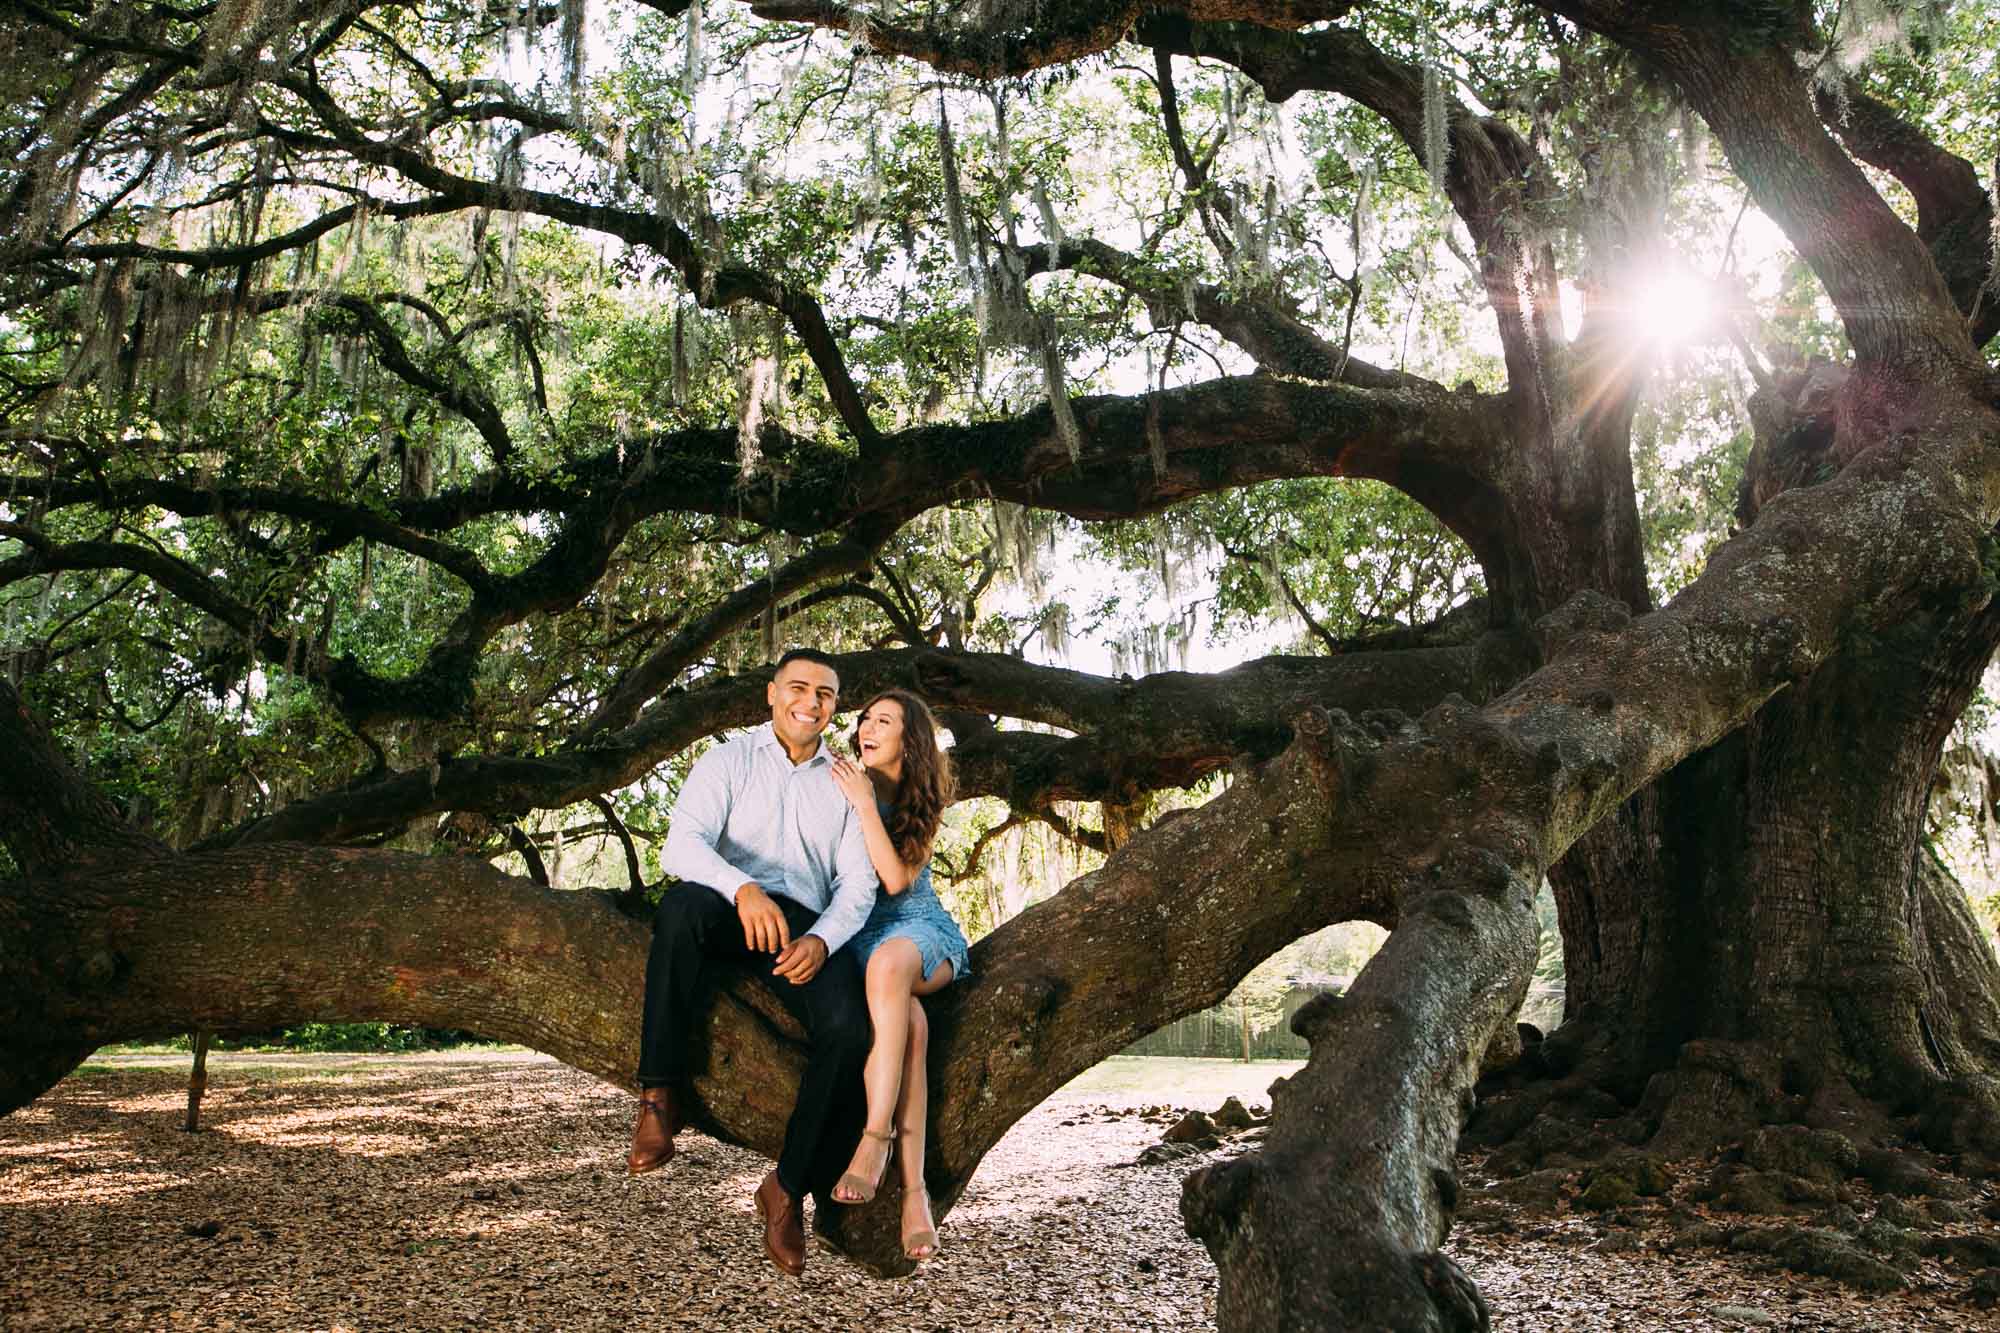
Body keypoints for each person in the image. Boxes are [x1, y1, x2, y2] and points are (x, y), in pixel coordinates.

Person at [627, 648, 876, 1278]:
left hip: (807, 929)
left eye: (824, 694)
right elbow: (680, 845)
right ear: (771, 694)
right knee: (680, 908)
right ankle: (659, 1098)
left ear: (833, 706)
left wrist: (821, 939)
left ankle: (786, 1188)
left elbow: (858, 885)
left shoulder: (846, 782)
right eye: (798, 687)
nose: (810, 702)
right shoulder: (728, 760)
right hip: (728, 909)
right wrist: (742, 889)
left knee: (851, 1031)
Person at [824, 688, 969, 1262]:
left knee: (889, 967)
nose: (866, 727)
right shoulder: (837, 783)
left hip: (918, 934)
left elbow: (896, 883)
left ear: (909, 741)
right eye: (863, 719)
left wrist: (864, 803)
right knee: (909, 1025)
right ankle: (915, 1196)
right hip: (860, 936)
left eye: (883, 720)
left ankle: (874, 1138)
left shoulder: (921, 799)